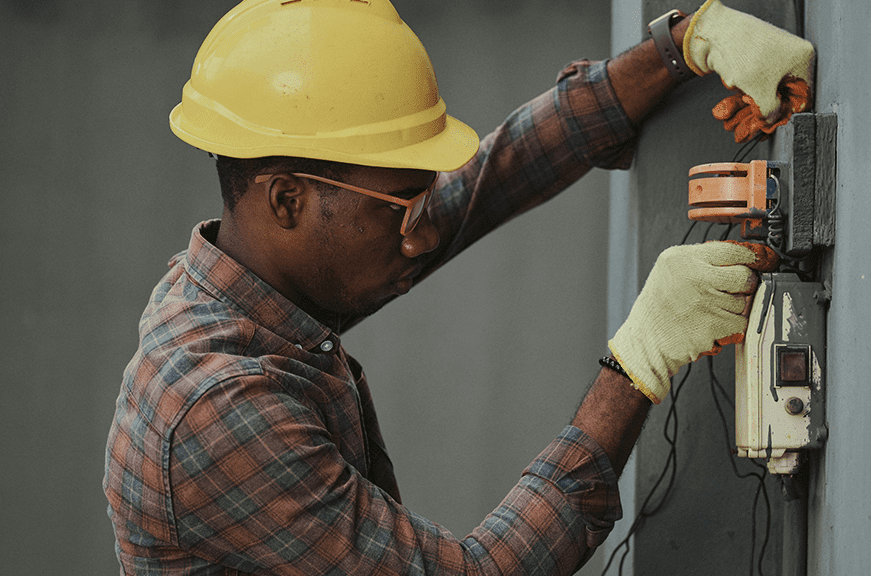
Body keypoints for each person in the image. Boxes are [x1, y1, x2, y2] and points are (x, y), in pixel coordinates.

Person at [103, 0, 813, 574]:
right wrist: (637, 362)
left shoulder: (247, 284)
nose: (419, 233)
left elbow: (495, 175)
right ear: (287, 201)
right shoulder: (217, 407)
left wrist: (688, 42)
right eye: (399, 208)